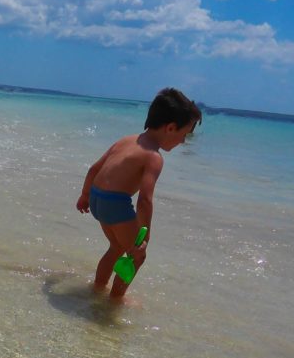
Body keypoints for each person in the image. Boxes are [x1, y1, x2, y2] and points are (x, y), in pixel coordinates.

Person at [76, 87, 201, 299]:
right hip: (115, 203)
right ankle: (115, 300)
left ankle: (98, 288)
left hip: (98, 197)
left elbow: (93, 169)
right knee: (137, 256)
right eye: (184, 135)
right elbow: (144, 200)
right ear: (171, 128)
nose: (182, 142)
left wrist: (85, 195)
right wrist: (145, 236)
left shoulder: (127, 140)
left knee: (116, 246)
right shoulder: (153, 156)